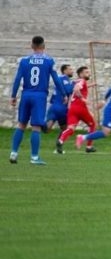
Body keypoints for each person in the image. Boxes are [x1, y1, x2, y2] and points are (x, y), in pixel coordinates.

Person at [9, 36, 67, 165]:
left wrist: (13, 95)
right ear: (44, 46)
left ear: (32, 46)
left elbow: (18, 79)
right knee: (36, 126)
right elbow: (56, 79)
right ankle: (34, 157)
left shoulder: (24, 61)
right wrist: (63, 94)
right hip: (39, 95)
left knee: (21, 124)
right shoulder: (48, 61)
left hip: (26, 94)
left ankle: (13, 153)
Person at [56, 66, 97, 154]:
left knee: (71, 128)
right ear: (81, 74)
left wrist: (91, 85)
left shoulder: (75, 81)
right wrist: (83, 98)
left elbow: (75, 89)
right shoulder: (82, 81)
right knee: (93, 125)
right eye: (86, 72)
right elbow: (77, 89)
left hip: (72, 108)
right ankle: (89, 146)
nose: (88, 73)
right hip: (81, 107)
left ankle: (61, 140)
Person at [45, 64, 74, 136]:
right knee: (65, 129)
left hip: (54, 106)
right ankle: (59, 143)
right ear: (64, 71)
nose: (72, 71)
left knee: (47, 129)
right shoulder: (64, 79)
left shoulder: (58, 79)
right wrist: (74, 85)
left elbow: (53, 95)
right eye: (70, 69)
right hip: (62, 107)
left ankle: (37, 127)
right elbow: (68, 90)